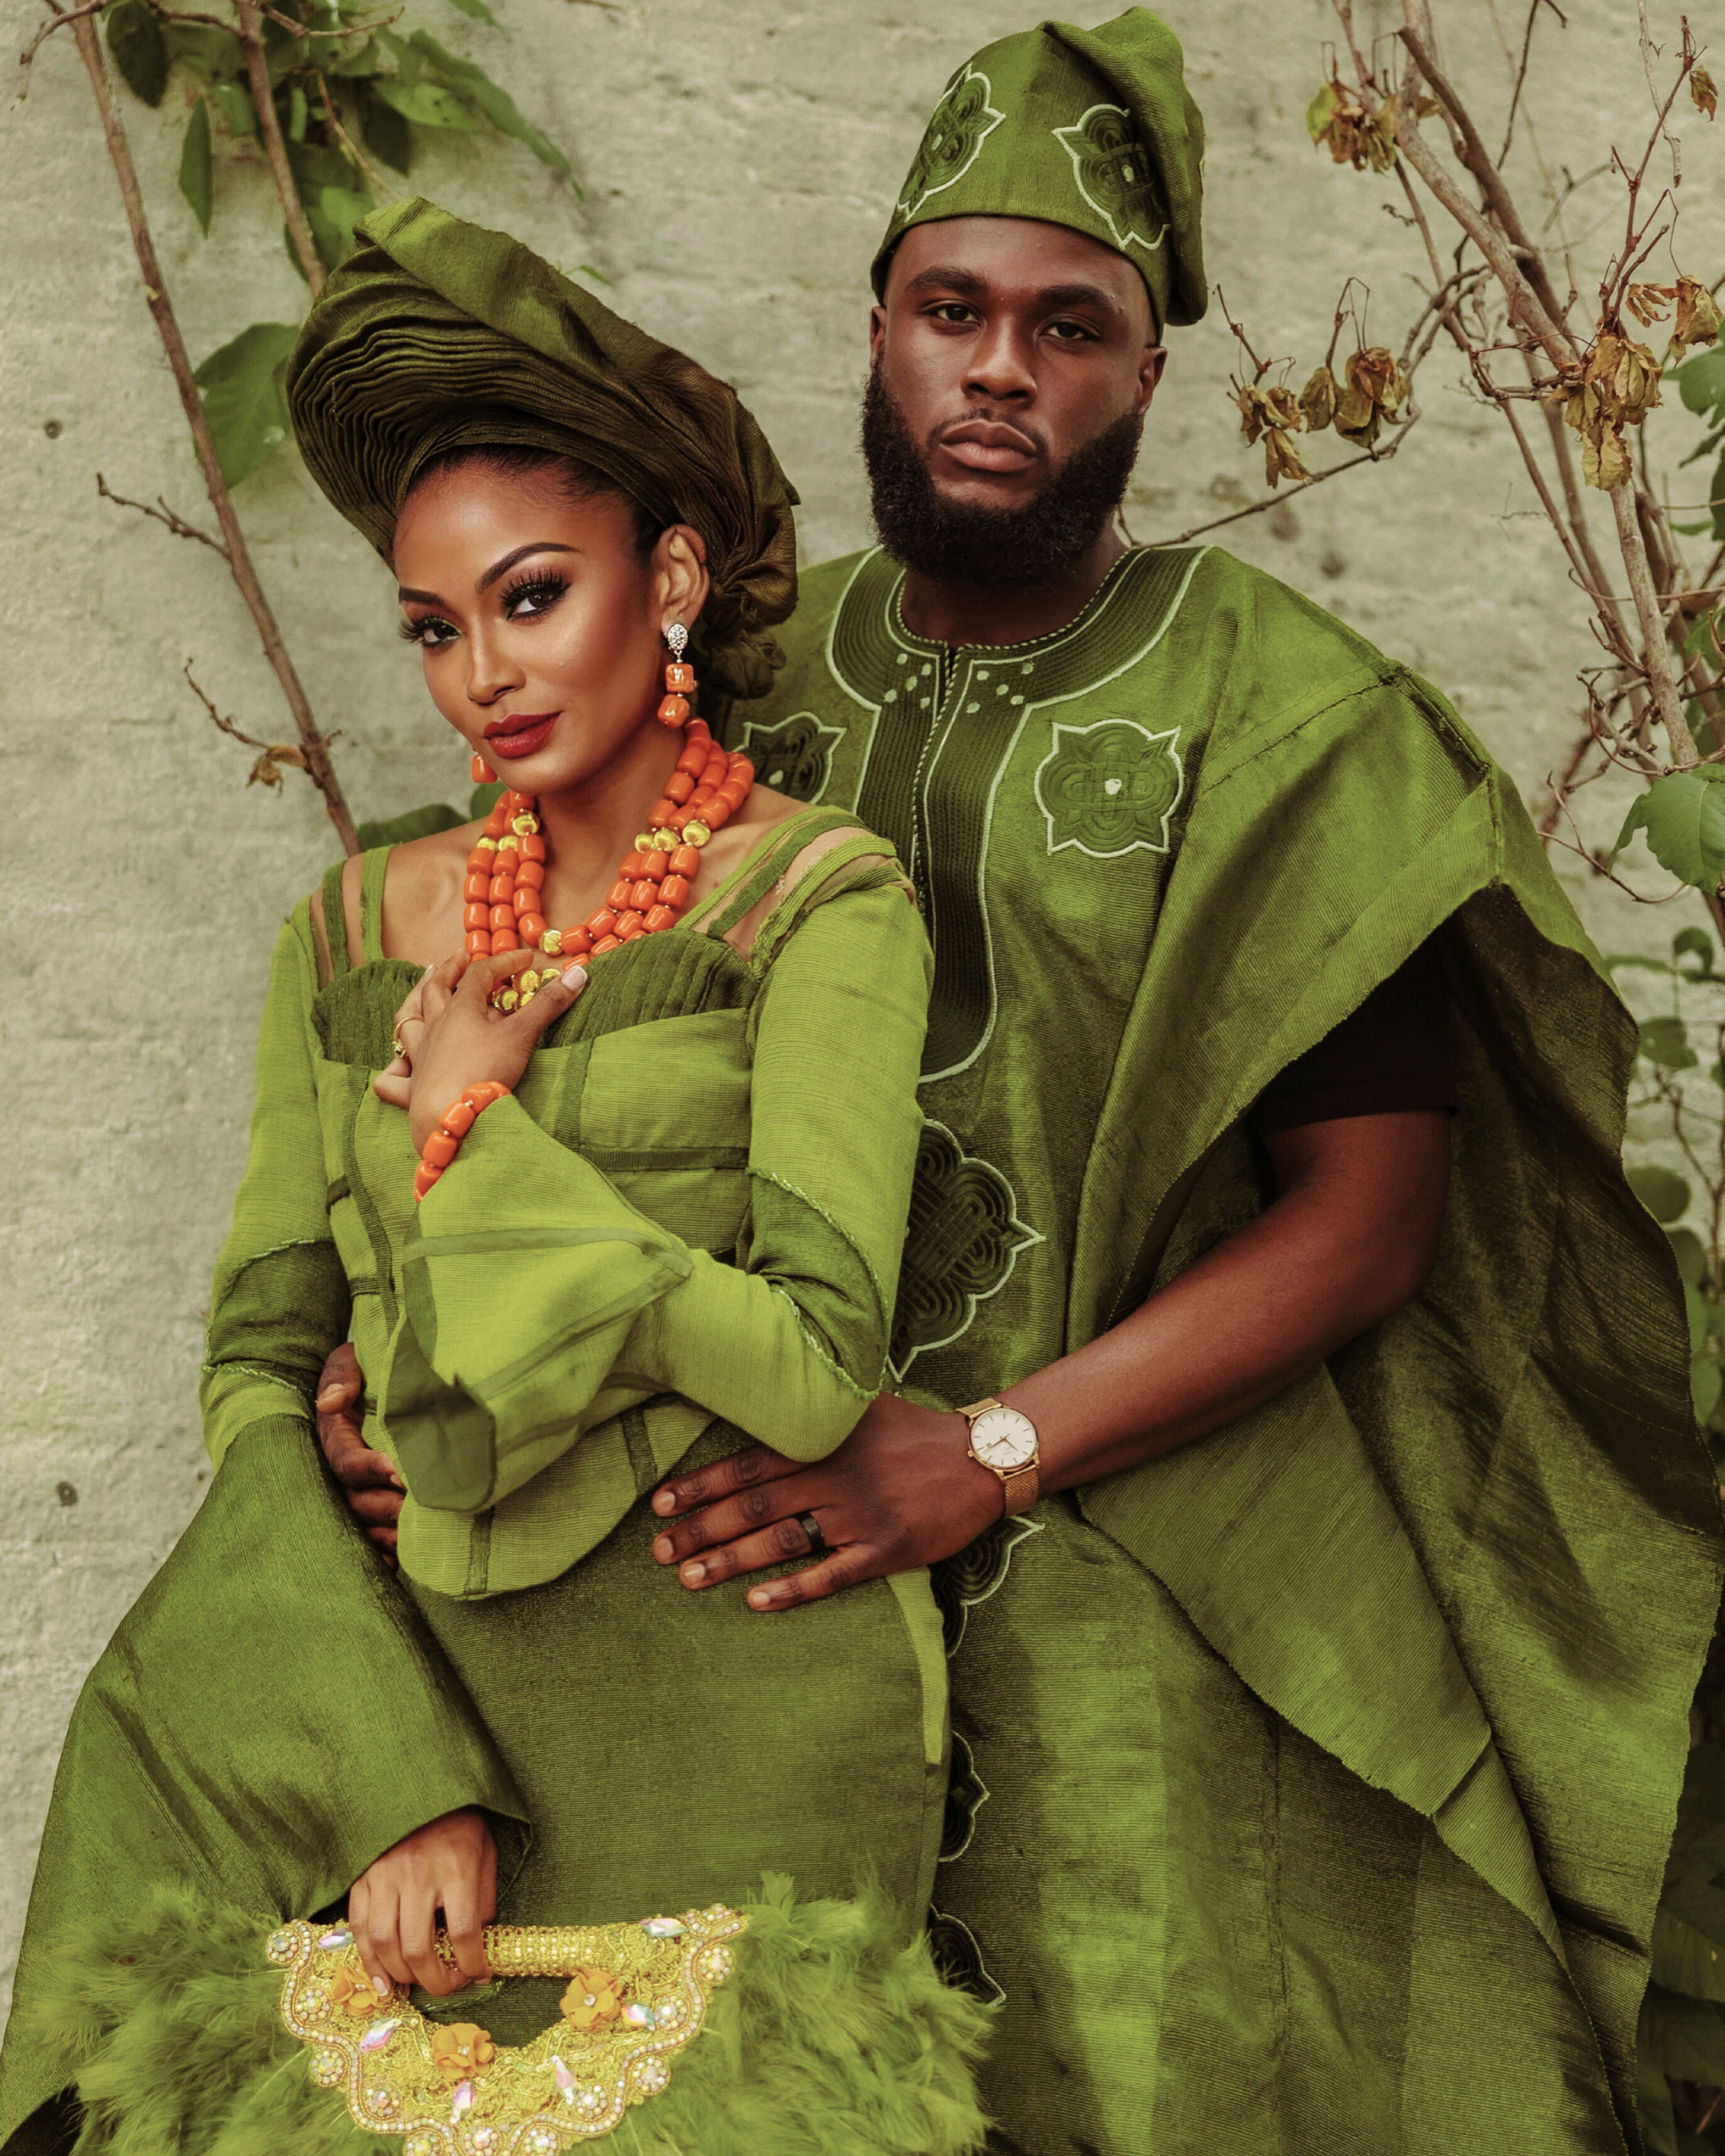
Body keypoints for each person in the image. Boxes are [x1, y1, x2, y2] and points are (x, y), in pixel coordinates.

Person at [299, 11, 1721, 2152]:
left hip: (1131, 1572)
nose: (998, 368)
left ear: (1144, 376)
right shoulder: (719, 685)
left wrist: (986, 1448)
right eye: (951, 310)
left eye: (1070, 327)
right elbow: (511, 1030)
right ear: (876, 328)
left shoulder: (1284, 724)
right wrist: (401, 1347)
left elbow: (1371, 1218)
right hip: (711, 1585)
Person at [0, 199, 993, 2156]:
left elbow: (812, 1371)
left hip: (731, 1707)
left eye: (532, 598)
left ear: (672, 575)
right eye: (435, 628)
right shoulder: (358, 923)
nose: (482, 678)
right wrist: (376, 1771)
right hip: (396, 1689)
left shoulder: (820, 901)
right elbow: (258, 1365)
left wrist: (480, 1132)